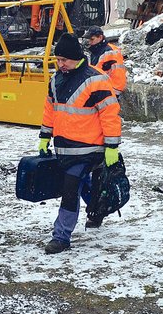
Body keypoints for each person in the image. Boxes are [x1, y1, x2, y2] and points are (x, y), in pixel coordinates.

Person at [39, 32, 122, 254]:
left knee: (70, 188)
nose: (60, 64)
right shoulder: (56, 80)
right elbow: (50, 110)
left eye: (64, 60)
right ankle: (97, 210)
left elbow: (110, 114)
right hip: (64, 147)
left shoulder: (96, 79)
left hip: (89, 147)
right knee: (83, 184)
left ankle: (61, 236)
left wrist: (112, 146)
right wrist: (45, 136)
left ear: (76, 57)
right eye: (58, 60)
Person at [83, 26, 127, 94]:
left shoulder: (108, 52)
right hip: (109, 87)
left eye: (92, 39)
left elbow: (96, 72)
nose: (90, 42)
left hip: (111, 88)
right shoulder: (100, 50)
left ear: (100, 37)